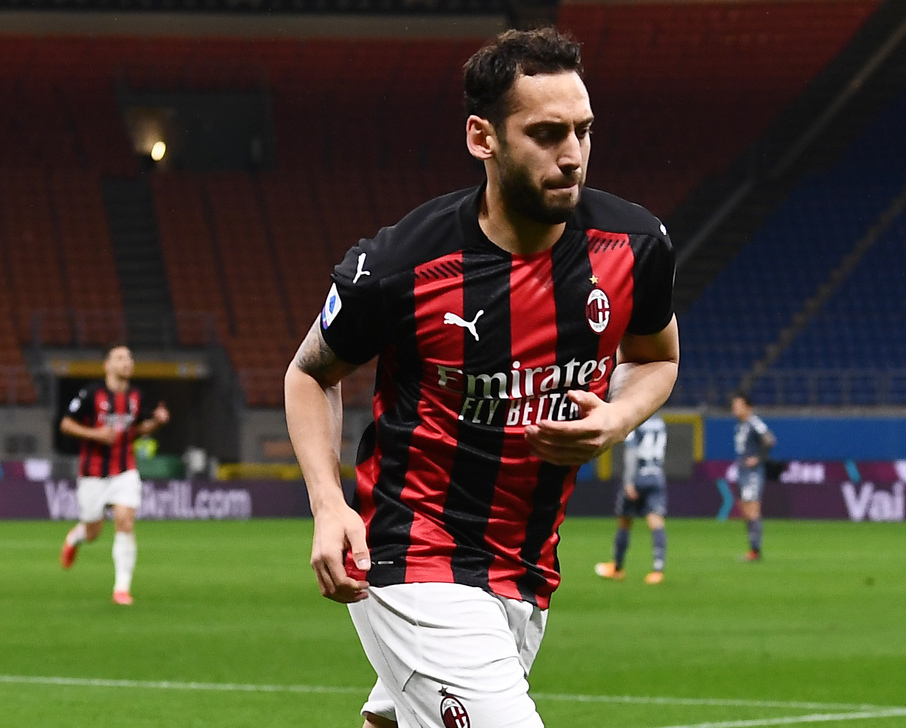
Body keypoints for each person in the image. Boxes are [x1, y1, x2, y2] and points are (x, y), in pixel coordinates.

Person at [283, 28, 678, 728]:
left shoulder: (634, 246)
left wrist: (616, 419)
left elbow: (655, 358)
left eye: (583, 131)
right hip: (415, 550)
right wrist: (326, 502)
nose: (572, 155)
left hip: (526, 567)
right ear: (482, 137)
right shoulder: (401, 266)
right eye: (546, 133)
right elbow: (310, 373)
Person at [58, 344, 170, 605]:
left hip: (124, 470)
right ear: (107, 365)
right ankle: (75, 537)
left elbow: (135, 431)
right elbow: (66, 424)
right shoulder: (91, 393)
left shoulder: (136, 396)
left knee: (125, 522)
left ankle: (121, 588)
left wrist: (156, 423)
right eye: (119, 358)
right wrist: (94, 434)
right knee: (93, 531)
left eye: (129, 357)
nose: (126, 362)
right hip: (93, 473)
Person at [594, 412, 669, 584]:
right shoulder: (659, 422)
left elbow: (632, 452)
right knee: (656, 522)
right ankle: (658, 570)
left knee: (625, 521)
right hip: (656, 475)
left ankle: (618, 568)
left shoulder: (638, 421)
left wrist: (628, 482)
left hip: (638, 477)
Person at [731, 393, 774, 561]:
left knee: (752, 510)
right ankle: (753, 548)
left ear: (747, 407)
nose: (734, 408)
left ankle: (755, 551)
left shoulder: (754, 423)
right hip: (742, 471)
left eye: (738, 405)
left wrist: (758, 458)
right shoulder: (740, 425)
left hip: (753, 473)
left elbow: (769, 440)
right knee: (745, 509)